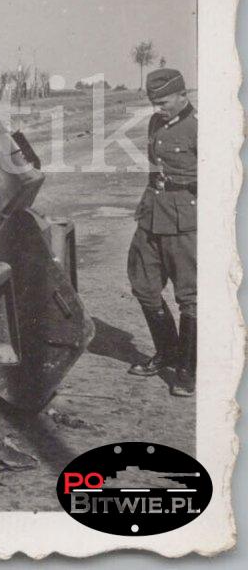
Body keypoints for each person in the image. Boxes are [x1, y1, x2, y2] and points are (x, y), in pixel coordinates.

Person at [126, 68, 197, 396]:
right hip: (152, 214)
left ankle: (186, 368)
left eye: (164, 101)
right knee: (143, 285)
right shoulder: (156, 122)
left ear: (183, 95)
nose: (158, 108)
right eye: (154, 102)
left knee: (190, 297)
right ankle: (167, 351)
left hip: (184, 221)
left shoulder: (199, 128)